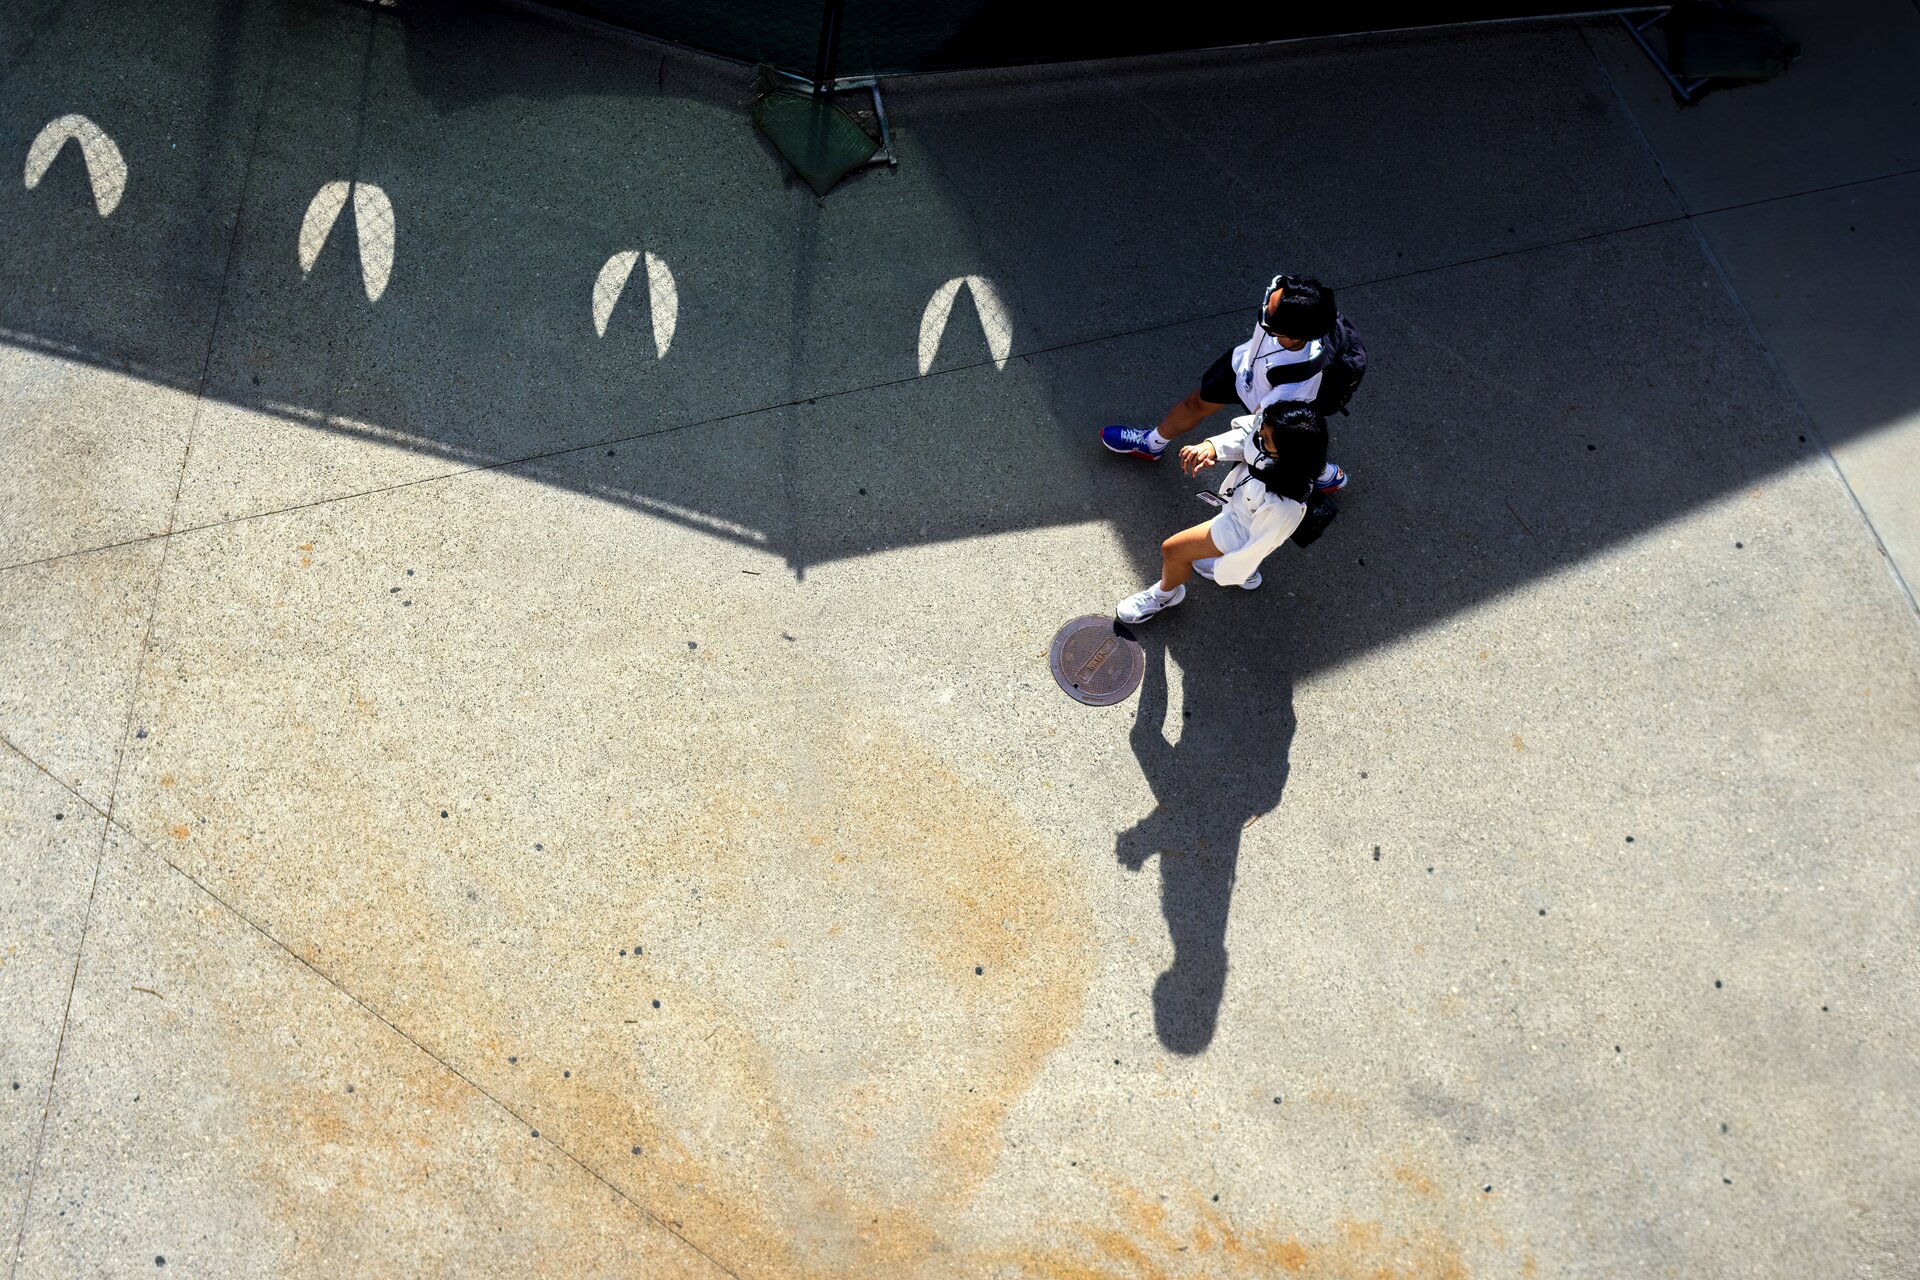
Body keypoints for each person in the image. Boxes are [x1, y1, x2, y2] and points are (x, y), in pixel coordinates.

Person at [1101, 274, 1348, 495]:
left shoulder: (1299, 383)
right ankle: (1152, 444)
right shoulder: (1283, 293)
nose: (1263, 307)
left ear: (1293, 334)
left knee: (1286, 448)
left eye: (1267, 316)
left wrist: (1213, 447)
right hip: (1242, 367)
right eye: (1268, 299)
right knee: (1194, 404)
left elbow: (1259, 429)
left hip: (1269, 400)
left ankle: (1322, 474)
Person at [1116, 401, 1327, 624]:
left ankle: (1165, 595)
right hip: (1241, 512)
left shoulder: (1284, 505)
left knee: (1173, 550)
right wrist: (1212, 447)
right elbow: (1249, 429)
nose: (1257, 436)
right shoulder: (1275, 437)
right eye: (1261, 429)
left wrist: (1228, 570)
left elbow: (1260, 543)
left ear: (1288, 454)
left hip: (1241, 529)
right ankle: (1248, 574)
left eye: (1264, 439)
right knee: (1245, 552)